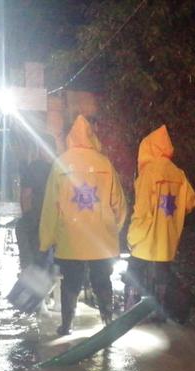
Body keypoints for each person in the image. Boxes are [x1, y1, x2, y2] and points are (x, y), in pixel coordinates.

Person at [39, 114, 127, 335]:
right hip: (101, 240)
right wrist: (113, 230)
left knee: (71, 282)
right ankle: (108, 322)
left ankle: (67, 325)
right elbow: (119, 203)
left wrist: (46, 241)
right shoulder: (105, 163)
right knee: (102, 279)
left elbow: (51, 206)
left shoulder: (61, 163)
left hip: (70, 239)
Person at [126, 125, 195, 321]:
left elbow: (142, 212)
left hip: (146, 239)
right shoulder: (178, 173)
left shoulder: (148, 172)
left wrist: (133, 236)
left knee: (134, 271)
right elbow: (191, 202)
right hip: (166, 239)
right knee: (162, 275)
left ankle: (131, 315)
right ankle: (159, 314)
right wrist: (170, 216)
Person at [16, 134, 55, 270]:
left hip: (36, 219)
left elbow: (26, 195)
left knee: (34, 257)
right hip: (55, 222)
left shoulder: (33, 167)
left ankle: (29, 271)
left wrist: (27, 216)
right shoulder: (58, 169)